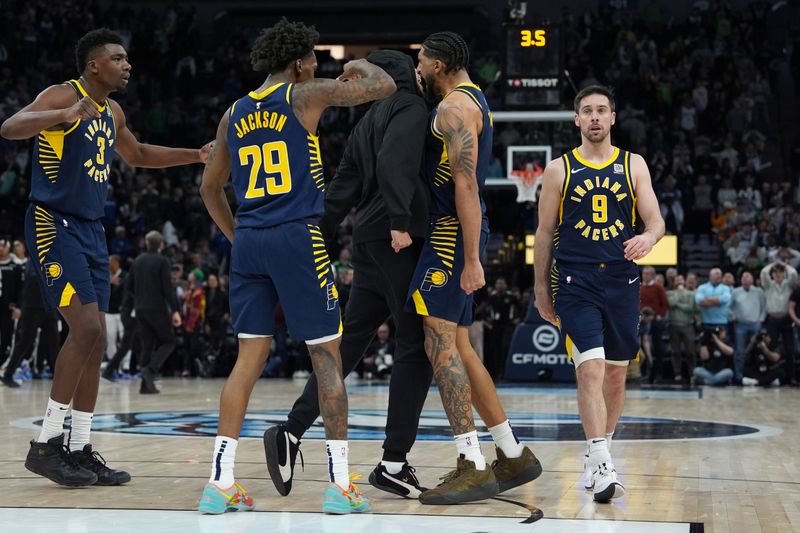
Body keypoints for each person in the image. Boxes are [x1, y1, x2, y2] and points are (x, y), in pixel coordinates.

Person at [198, 18, 395, 515]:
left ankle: (218, 483)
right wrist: (355, 63)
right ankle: (339, 485)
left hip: (250, 241)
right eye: (312, 57)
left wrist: (237, 235)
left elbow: (208, 187)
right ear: (298, 63)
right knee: (327, 358)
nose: (316, 63)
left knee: (247, 361)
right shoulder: (304, 95)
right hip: (296, 236)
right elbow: (384, 85)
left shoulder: (232, 112)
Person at [0, 28, 210, 487]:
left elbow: (137, 154)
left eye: (127, 58)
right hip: (53, 222)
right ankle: (47, 444)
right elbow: (10, 127)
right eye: (118, 58)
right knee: (89, 328)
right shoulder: (64, 94)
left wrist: (195, 154)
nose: (127, 65)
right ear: (94, 65)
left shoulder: (113, 111)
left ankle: (79, 447)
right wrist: (62, 112)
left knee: (95, 341)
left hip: (92, 231)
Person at [409, 31, 542, 505]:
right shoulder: (475, 100)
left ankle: (472, 462)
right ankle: (511, 452)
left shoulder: (451, 109)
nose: (417, 69)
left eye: (421, 62)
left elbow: (465, 186)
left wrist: (470, 258)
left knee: (439, 341)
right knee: (462, 347)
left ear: (440, 65)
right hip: (455, 231)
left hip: (450, 234)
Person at [534, 85, 665, 502]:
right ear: (576, 120)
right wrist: (540, 287)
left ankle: (598, 454)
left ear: (612, 117)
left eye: (601, 110)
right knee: (589, 368)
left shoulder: (633, 164)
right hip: (575, 282)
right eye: (586, 111)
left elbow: (656, 220)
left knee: (615, 372)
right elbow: (543, 232)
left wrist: (648, 239)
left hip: (623, 281)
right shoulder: (559, 170)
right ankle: (602, 460)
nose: (594, 117)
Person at [126, 231, 182, 393]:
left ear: (146, 243)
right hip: (157, 308)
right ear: (161, 244)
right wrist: (175, 311)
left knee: (147, 345)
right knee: (169, 341)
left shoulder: (137, 261)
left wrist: (139, 298)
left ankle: (145, 386)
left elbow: (128, 286)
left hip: (140, 308)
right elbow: (168, 289)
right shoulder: (163, 261)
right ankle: (151, 369)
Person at [2, 257, 59, 387]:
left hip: (49, 307)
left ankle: (57, 374)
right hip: (32, 306)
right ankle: (8, 374)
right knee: (25, 341)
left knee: (54, 341)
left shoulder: (54, 259)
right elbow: (33, 277)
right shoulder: (33, 260)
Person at [760, 261, 797, 385]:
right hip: (772, 320)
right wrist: (773, 264)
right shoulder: (769, 285)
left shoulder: (789, 285)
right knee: (772, 347)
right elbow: (764, 273)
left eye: (780, 272)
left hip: (786, 319)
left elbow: (793, 275)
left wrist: (786, 265)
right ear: (773, 274)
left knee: (790, 350)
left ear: (784, 273)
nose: (778, 274)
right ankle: (773, 377)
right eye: (775, 272)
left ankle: (789, 378)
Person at [730, 272, 766, 382]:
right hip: (740, 325)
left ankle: (758, 375)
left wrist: (761, 320)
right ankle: (738, 376)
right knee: (740, 351)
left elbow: (764, 307)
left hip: (755, 324)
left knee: (758, 350)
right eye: (743, 277)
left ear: (752, 279)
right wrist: (732, 315)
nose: (745, 279)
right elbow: (729, 307)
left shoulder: (759, 291)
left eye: (747, 277)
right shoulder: (735, 292)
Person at [667, 274, 696, 382]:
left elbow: (689, 308)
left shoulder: (690, 294)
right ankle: (677, 373)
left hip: (687, 325)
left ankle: (693, 373)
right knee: (676, 352)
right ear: (674, 282)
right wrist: (678, 295)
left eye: (681, 279)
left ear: (684, 281)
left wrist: (678, 305)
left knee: (691, 351)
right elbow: (671, 303)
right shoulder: (670, 293)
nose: (679, 281)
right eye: (677, 280)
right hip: (673, 325)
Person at [0, 237, 23, 371]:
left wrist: (18, 306)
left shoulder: (16, 265)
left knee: (8, 335)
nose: (1, 248)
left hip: (8, 306)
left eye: (3, 246)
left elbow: (21, 289)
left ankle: (5, 362)